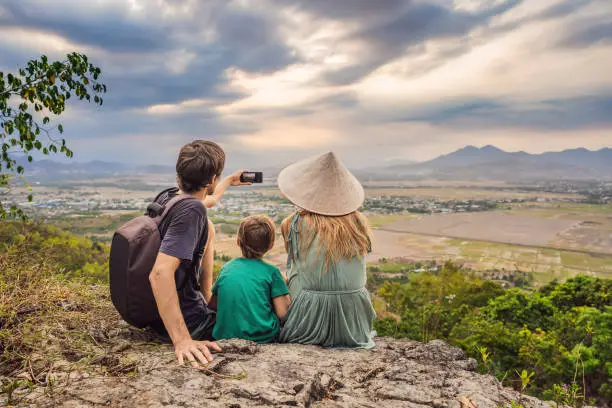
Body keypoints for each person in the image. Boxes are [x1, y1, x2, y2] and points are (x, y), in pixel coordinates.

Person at [148, 140, 249, 367]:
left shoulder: (169, 197)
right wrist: (183, 340)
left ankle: (206, 298)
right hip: (190, 321)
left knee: (209, 228)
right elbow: (159, 273)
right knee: (256, 320)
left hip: (156, 315)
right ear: (210, 179)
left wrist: (229, 182)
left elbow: (208, 201)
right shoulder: (192, 210)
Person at [278, 152, 376, 348]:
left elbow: (296, 268)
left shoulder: (292, 224)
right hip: (354, 320)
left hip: (308, 319)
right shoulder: (359, 223)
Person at [210, 215, 291, 343]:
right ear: (271, 245)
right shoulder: (272, 272)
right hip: (263, 338)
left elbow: (213, 305)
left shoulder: (226, 268)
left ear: (238, 241)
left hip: (224, 337)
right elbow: (283, 313)